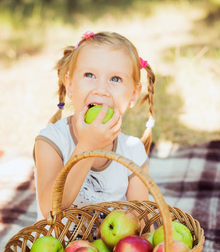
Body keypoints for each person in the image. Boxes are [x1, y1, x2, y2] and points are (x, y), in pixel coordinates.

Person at [34, 31, 156, 222]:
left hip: (109, 250)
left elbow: (141, 219)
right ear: (71, 85)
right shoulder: (51, 141)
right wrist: (87, 146)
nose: (101, 90)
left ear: (133, 94)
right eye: (89, 75)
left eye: (115, 79)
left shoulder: (132, 151)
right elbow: (49, 209)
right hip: (56, 247)